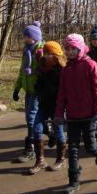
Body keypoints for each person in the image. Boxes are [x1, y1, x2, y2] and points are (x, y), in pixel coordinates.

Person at [55, 34, 97, 194]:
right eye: (66, 48)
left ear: (80, 48)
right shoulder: (66, 69)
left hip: (89, 115)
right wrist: (59, 114)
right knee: (73, 148)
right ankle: (73, 181)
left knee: (90, 146)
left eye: (71, 48)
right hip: (73, 115)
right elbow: (62, 94)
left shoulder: (91, 65)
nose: (68, 51)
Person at [29, 41, 67, 174]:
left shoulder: (63, 70)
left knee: (58, 130)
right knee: (36, 129)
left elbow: (65, 90)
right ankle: (40, 161)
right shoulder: (41, 67)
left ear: (55, 55)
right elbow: (38, 84)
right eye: (45, 53)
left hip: (57, 106)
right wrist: (38, 89)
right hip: (43, 104)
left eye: (49, 53)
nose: (45, 56)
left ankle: (61, 160)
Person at [13, 21, 44, 163]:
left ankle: (31, 149)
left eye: (26, 36)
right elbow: (22, 72)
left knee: (31, 119)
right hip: (29, 90)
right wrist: (17, 88)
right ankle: (45, 134)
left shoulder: (41, 51)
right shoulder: (26, 51)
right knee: (29, 119)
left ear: (34, 37)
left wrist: (34, 72)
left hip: (38, 90)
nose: (24, 38)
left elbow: (45, 71)